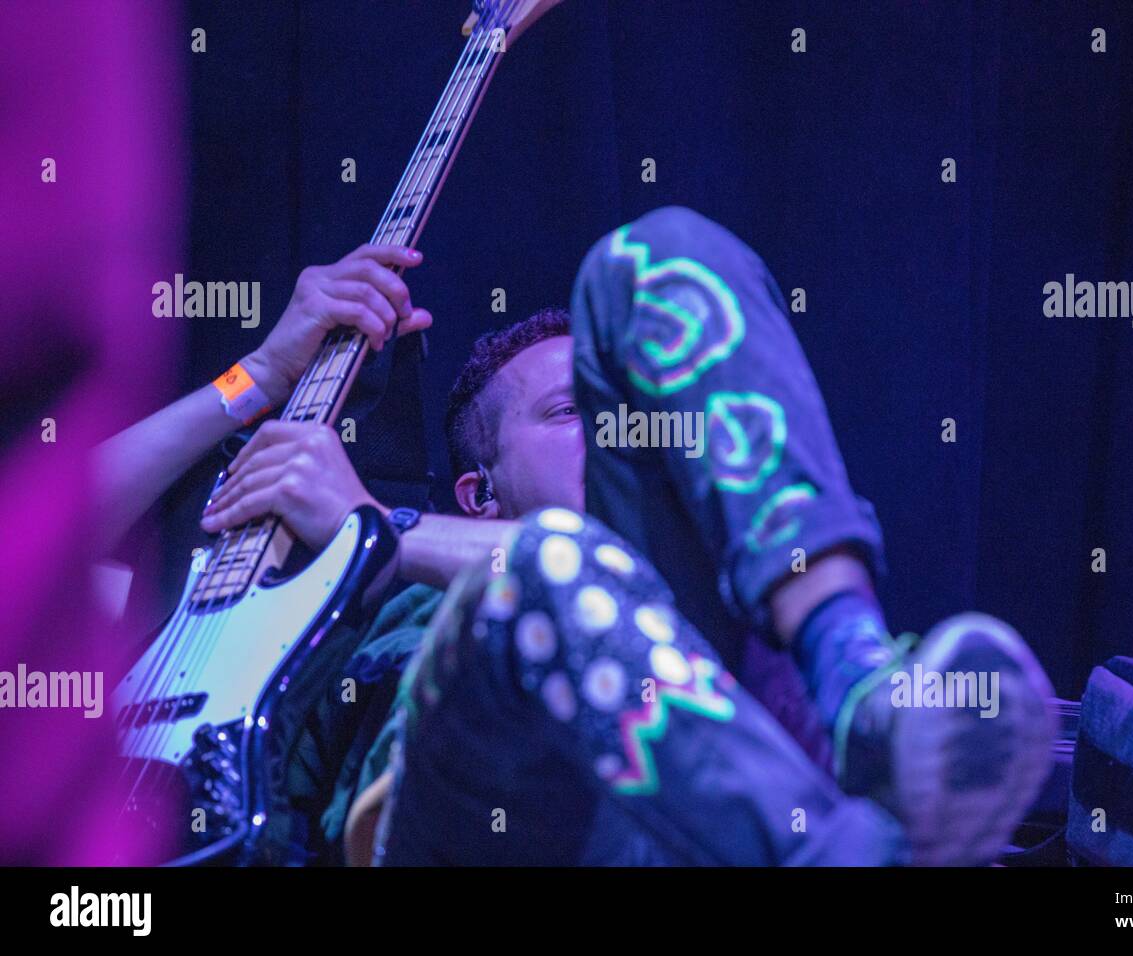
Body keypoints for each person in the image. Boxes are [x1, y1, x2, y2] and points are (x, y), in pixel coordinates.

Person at [100, 208, 1056, 866]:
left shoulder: (730, 571)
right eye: (569, 414)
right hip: (459, 824)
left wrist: (377, 524)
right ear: (477, 493)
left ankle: (862, 690)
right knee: (555, 571)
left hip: (704, 793)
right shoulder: (352, 592)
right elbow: (50, 516)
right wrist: (261, 378)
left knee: (658, 255)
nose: (618, 430)